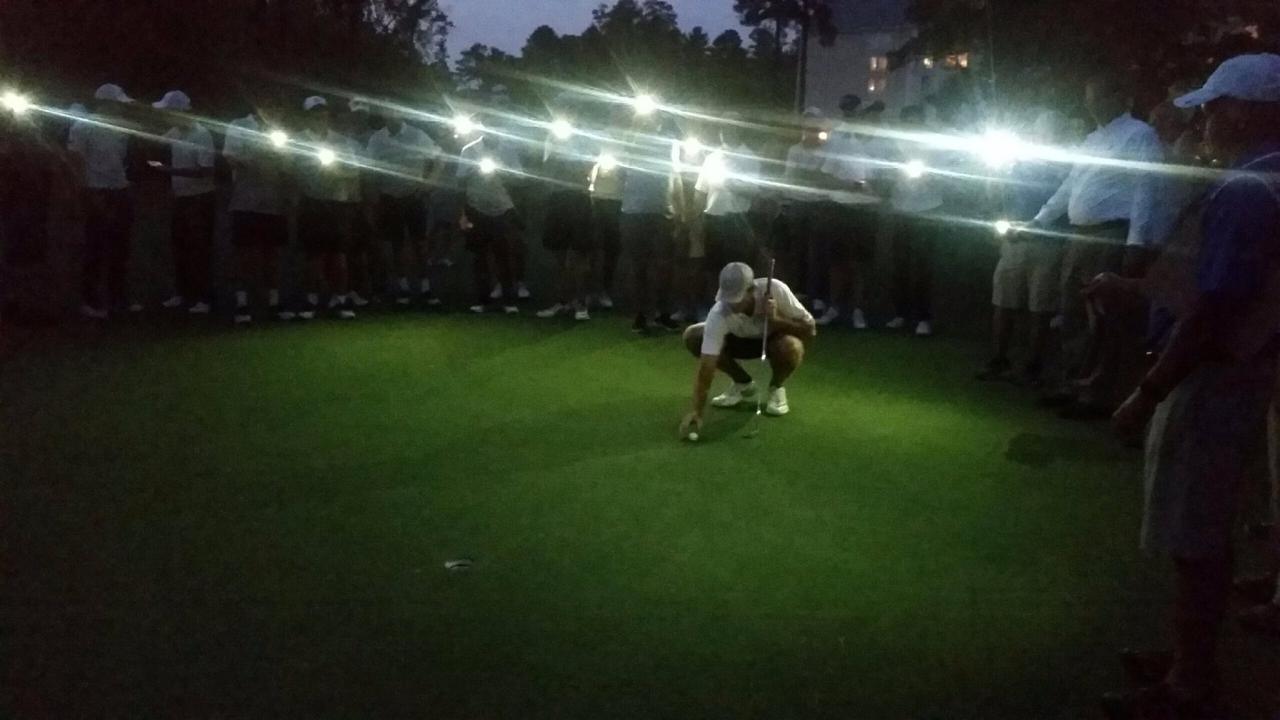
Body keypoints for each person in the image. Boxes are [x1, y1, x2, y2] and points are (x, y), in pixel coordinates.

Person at [1093, 54, 1280, 718]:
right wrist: (1143, 293)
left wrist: (1147, 389)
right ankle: (1186, 658)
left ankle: (1190, 682)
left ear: (1242, 111)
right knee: (1204, 529)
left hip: (1215, 376)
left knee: (1193, 534)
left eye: (1212, 106)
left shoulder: (1248, 190)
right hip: (1242, 369)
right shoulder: (1260, 181)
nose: (1201, 118)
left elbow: (1215, 309)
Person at [1032, 71, 1165, 417]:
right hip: (1081, 235)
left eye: (1100, 98)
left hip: (1110, 235)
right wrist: (1040, 219)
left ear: (1120, 98)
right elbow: (1070, 185)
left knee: (1103, 316)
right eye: (1089, 99)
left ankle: (1096, 393)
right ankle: (1073, 382)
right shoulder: (1093, 139)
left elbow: (1145, 190)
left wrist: (1135, 243)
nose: (1093, 106)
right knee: (1073, 311)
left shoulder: (1139, 135)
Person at [978, 110, 1071, 383]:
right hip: (1016, 240)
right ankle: (999, 359)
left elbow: (1065, 201)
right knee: (1004, 301)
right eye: (1041, 129)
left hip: (1048, 243)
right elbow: (995, 194)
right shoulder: (1017, 162)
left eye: (1050, 130)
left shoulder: (1066, 164)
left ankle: (1032, 366)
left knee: (1039, 307)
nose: (1044, 135)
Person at [679, 262, 816, 438]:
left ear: (751, 290)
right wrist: (697, 411)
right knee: (694, 336)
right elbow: (706, 367)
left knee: (791, 346)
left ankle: (776, 388)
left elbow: (810, 330)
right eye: (727, 298)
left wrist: (776, 320)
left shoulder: (776, 289)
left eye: (736, 299)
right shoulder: (719, 311)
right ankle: (742, 384)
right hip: (738, 342)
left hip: (773, 341)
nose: (731, 305)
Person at [67, 83, 138, 319]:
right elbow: (75, 161)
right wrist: (84, 193)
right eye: (118, 104)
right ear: (106, 103)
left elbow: (122, 159)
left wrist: (125, 184)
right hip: (96, 190)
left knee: (120, 247)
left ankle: (117, 298)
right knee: (95, 247)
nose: (121, 108)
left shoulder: (120, 128)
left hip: (119, 190)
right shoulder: (83, 126)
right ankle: (90, 300)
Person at [224, 96, 294, 324]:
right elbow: (231, 157)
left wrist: (280, 158)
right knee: (245, 254)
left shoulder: (282, 132)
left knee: (272, 255)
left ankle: (273, 303)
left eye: (278, 107)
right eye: (271, 106)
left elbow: (288, 164)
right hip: (246, 199)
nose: (275, 112)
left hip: (274, 201)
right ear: (260, 106)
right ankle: (243, 304)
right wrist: (259, 157)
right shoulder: (239, 126)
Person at [150, 91, 217, 316]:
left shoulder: (202, 135)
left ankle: (204, 297)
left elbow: (206, 171)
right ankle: (183, 293)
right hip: (182, 198)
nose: (166, 116)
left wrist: (168, 170)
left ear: (179, 111)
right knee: (180, 246)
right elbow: (158, 139)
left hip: (200, 199)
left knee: (199, 249)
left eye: (168, 111)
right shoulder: (176, 131)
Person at [365, 106, 441, 307]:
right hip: (389, 197)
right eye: (387, 112)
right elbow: (370, 170)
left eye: (395, 111)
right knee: (397, 245)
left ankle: (426, 287)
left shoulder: (417, 135)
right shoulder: (377, 139)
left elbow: (439, 157)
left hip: (414, 196)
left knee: (420, 244)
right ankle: (403, 287)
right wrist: (373, 199)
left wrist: (430, 182)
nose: (392, 115)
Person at [816, 93, 879, 329]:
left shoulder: (878, 144)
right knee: (837, 262)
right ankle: (834, 308)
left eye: (854, 111)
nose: (851, 115)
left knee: (860, 264)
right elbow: (825, 175)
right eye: (847, 111)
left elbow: (885, 179)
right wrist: (849, 186)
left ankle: (857, 310)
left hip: (865, 210)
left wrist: (872, 189)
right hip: (841, 207)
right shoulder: (839, 140)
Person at [295, 96, 361, 320]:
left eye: (323, 114)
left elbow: (353, 173)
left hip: (336, 203)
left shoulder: (341, 142)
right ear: (307, 116)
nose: (320, 118)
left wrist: (336, 173)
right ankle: (311, 300)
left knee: (338, 254)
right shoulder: (298, 141)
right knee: (313, 255)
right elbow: (289, 171)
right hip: (311, 202)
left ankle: (341, 300)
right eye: (315, 114)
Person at [885, 105, 944, 336]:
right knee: (900, 263)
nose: (912, 125)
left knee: (923, 265)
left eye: (915, 121)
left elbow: (945, 173)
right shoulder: (896, 146)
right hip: (901, 208)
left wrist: (929, 174)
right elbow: (886, 172)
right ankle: (901, 313)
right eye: (908, 122)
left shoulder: (932, 145)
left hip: (928, 209)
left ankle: (923, 317)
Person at [619, 111, 680, 333]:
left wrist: (678, 208)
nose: (648, 121)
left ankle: (663, 313)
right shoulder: (628, 140)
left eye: (652, 117)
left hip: (661, 212)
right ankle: (641, 315)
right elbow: (619, 171)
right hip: (633, 212)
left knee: (664, 265)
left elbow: (675, 175)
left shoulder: (668, 143)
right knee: (638, 266)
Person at [536, 104, 595, 321]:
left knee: (579, 256)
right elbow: (548, 167)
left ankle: (581, 304)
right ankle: (562, 302)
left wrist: (568, 164)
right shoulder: (551, 138)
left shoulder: (584, 138)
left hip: (578, 198)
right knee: (559, 256)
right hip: (557, 198)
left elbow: (586, 168)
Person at [456, 127, 520, 315]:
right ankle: (482, 299)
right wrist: (463, 213)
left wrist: (502, 170)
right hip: (477, 208)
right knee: (479, 256)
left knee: (504, 256)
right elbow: (460, 181)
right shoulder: (470, 150)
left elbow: (519, 179)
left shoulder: (508, 150)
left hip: (502, 209)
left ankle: (509, 300)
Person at [695, 114, 762, 275]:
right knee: (713, 266)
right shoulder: (712, 158)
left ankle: (736, 300)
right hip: (713, 218)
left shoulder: (750, 158)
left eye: (730, 127)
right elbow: (701, 190)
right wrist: (697, 219)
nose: (725, 132)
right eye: (723, 128)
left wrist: (731, 185)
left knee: (736, 267)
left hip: (737, 220)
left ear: (738, 130)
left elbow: (754, 190)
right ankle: (715, 299)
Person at [588, 117, 624, 312]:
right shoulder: (597, 142)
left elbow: (626, 174)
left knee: (611, 249)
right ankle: (591, 290)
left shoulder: (627, 144)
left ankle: (605, 291)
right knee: (592, 246)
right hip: (596, 198)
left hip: (616, 201)